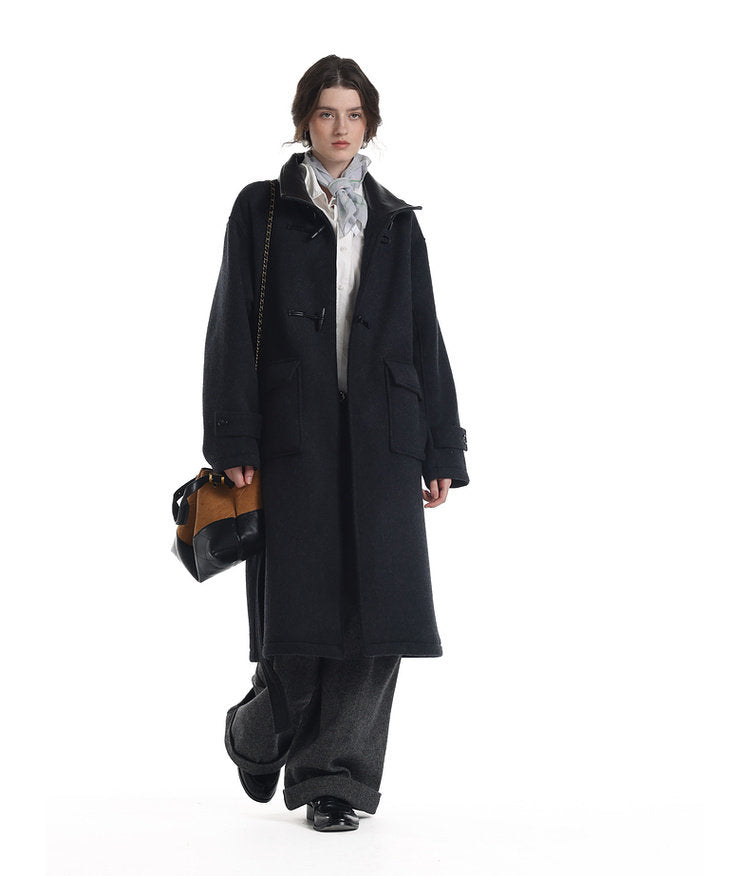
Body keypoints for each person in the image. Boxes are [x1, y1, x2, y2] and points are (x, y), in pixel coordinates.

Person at [201, 54, 469, 832]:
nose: (340, 128)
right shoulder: (262, 209)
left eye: (354, 115)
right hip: (293, 436)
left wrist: (440, 448)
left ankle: (337, 781)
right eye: (326, 113)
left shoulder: (396, 220)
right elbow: (230, 324)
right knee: (299, 606)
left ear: (370, 124)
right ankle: (261, 732)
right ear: (304, 122)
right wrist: (234, 435)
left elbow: (423, 335)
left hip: (385, 438)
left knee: (380, 613)